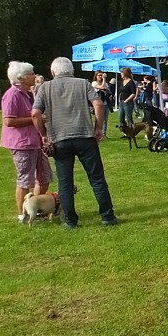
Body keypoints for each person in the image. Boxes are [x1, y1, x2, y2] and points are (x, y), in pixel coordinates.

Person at [31, 57, 118, 228]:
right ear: (71, 70)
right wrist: (98, 128)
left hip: (59, 139)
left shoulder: (45, 87)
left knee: (65, 182)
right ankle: (107, 217)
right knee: (97, 179)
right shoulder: (83, 84)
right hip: (85, 137)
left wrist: (44, 134)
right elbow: (98, 104)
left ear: (53, 72)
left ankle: (70, 220)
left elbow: (35, 113)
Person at [1, 61, 52, 222]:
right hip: (22, 143)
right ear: (21, 78)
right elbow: (9, 121)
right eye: (31, 73)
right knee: (25, 179)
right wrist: (34, 119)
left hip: (36, 142)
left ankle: (36, 208)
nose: (34, 76)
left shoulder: (29, 94)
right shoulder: (12, 95)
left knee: (45, 177)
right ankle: (22, 214)